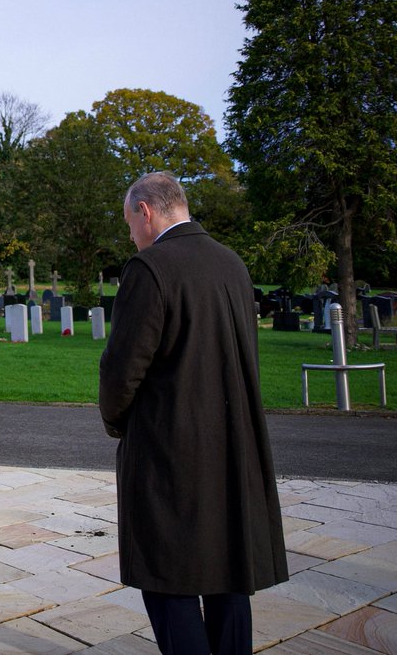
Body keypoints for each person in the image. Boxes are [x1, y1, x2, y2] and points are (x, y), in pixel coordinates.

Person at [99, 172, 288, 655]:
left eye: (129, 223)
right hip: (233, 442)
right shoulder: (232, 263)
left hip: (169, 446)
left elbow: (121, 370)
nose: (131, 236)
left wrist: (117, 422)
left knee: (168, 576)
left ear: (145, 211)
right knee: (228, 572)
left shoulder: (151, 268)